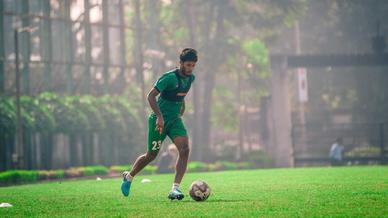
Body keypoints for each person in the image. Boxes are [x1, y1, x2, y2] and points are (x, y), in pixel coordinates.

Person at [121, 48, 198, 200]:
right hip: (158, 121)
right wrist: (159, 117)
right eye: (188, 65)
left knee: (185, 150)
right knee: (151, 155)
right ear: (181, 63)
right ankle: (129, 177)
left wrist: (182, 106)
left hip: (175, 120)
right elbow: (150, 96)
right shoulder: (168, 78)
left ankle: (175, 189)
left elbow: (180, 94)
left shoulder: (191, 78)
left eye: (193, 65)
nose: (190, 68)